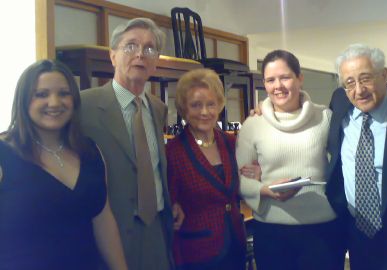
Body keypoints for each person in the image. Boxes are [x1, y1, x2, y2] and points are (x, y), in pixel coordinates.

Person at [0, 60, 127, 270]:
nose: (54, 102)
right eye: (41, 94)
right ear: (24, 101)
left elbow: (103, 221)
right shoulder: (5, 153)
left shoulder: (91, 152)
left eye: (64, 93)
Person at [80, 18, 182, 270]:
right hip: (109, 233)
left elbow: (154, 167)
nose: (140, 54)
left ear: (156, 61)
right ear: (113, 56)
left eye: (149, 49)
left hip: (157, 229)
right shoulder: (84, 106)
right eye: (130, 46)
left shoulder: (158, 109)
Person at [237, 50, 345, 270]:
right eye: (270, 80)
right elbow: (238, 177)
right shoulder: (253, 124)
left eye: (285, 77)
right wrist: (265, 190)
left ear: (300, 78)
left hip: (322, 229)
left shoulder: (324, 117)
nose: (278, 86)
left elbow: (344, 165)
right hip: (272, 231)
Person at [324, 44, 387, 270]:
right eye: (350, 82)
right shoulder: (340, 101)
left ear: (384, 75)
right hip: (355, 230)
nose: (359, 90)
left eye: (365, 78)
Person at [167, 68, 254, 270]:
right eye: (196, 105)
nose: (204, 112)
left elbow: (242, 182)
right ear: (184, 108)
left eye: (210, 104)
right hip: (197, 254)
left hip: (235, 245)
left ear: (219, 106)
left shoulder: (231, 142)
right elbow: (169, 202)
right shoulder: (173, 152)